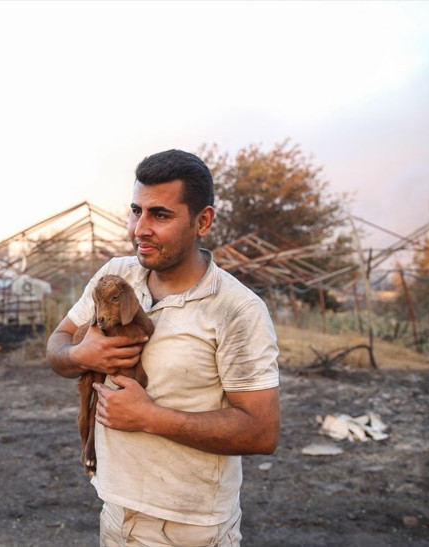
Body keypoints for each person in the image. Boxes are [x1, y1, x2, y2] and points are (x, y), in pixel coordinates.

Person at [46, 149, 280, 546]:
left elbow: (261, 431)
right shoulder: (116, 275)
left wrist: (150, 417)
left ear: (202, 221)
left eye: (160, 215)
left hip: (190, 527)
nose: (140, 228)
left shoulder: (236, 309)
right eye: (136, 211)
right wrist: (79, 355)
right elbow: (57, 345)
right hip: (116, 509)